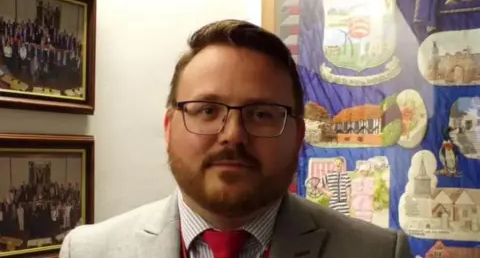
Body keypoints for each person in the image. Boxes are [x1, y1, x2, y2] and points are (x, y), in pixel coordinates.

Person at [59, 19, 413, 258]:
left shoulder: (377, 252)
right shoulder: (88, 251)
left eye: (261, 114)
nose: (232, 135)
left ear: (298, 136)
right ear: (169, 129)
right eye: (206, 110)